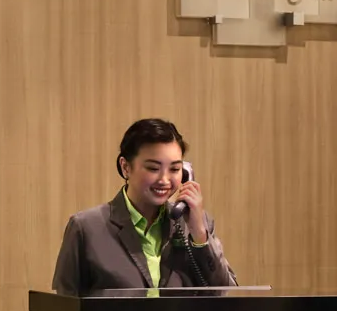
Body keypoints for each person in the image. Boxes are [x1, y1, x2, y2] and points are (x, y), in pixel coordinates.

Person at [51, 118, 238, 295]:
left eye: (174, 169)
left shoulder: (197, 224)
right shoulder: (86, 228)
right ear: (125, 167)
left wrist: (199, 234)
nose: (164, 180)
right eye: (153, 168)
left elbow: (223, 292)